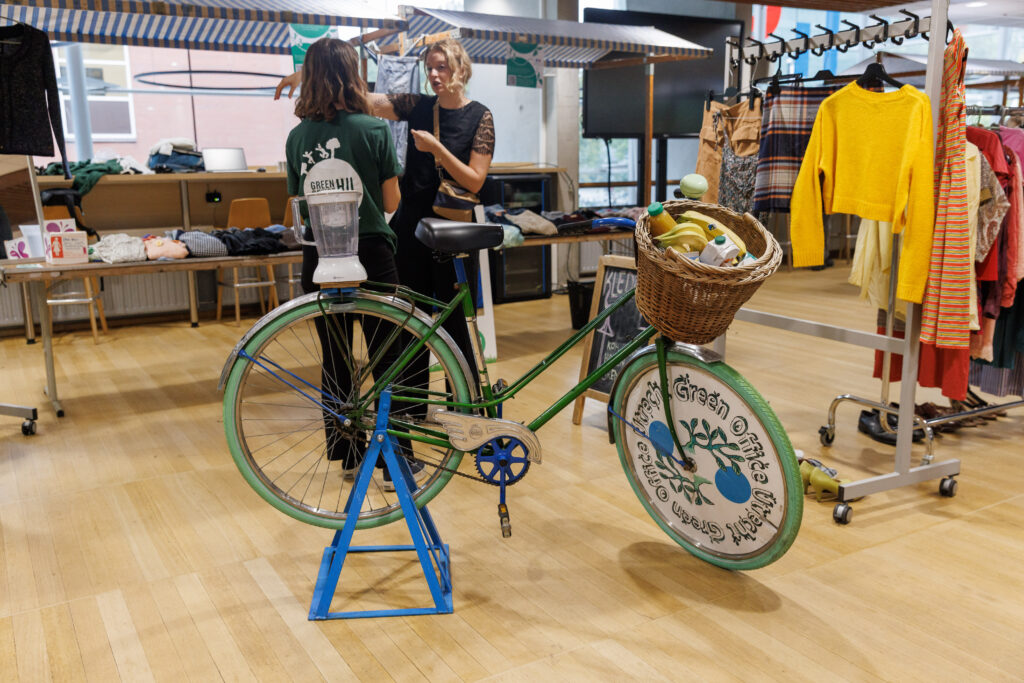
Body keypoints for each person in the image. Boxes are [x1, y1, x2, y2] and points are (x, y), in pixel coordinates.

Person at [277, 38, 495, 384]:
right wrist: (312, 72)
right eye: (430, 68)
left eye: (442, 67)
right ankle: (411, 407)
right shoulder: (418, 105)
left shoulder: (480, 116)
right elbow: (359, 98)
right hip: (410, 228)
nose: (435, 75)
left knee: (455, 322)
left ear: (460, 68)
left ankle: (462, 403)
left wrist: (437, 149)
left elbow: (476, 180)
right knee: (409, 323)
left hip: (453, 229)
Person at [285, 37, 402, 473]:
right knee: (387, 356)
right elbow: (390, 202)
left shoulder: (297, 138)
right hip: (370, 252)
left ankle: (348, 455)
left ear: (310, 78)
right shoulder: (374, 129)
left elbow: (297, 207)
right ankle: (395, 462)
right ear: (354, 75)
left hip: (320, 256)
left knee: (335, 359)